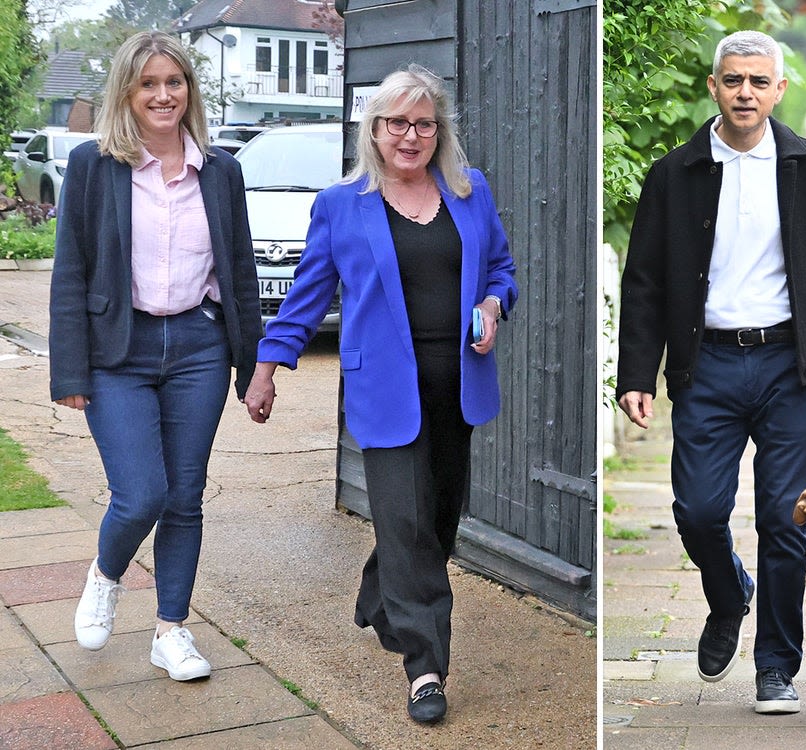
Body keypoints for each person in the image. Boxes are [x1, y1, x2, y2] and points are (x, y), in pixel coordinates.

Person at [242, 64, 518, 725]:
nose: (411, 135)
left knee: (435, 522)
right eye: (398, 122)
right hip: (384, 389)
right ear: (375, 129)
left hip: (457, 386)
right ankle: (425, 667)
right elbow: (308, 294)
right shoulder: (342, 204)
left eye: (424, 123)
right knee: (404, 519)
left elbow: (502, 270)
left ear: (439, 130)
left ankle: (379, 592)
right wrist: (267, 365)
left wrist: (492, 303)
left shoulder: (468, 190)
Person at [616, 30, 806, 714]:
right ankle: (729, 595)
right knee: (699, 510)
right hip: (708, 366)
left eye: (759, 82)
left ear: (779, 89)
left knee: (788, 523)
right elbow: (642, 283)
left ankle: (775, 669)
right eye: (733, 81)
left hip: (791, 366)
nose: (745, 93)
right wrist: (637, 374)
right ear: (714, 86)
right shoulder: (675, 173)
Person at [49, 31, 261, 681]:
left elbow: (240, 275)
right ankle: (107, 574)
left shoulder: (221, 172)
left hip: (198, 347)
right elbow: (71, 273)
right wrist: (71, 371)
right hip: (119, 350)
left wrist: (253, 370)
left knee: (185, 497)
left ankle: (171, 631)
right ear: (128, 93)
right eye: (148, 84)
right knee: (141, 494)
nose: (163, 95)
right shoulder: (93, 165)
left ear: (189, 91)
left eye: (174, 82)